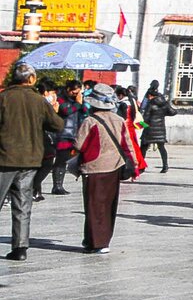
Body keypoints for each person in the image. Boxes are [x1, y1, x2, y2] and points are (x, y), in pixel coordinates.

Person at [0, 63, 64, 262]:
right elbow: (57, 125)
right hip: (30, 159)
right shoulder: (39, 101)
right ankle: (20, 248)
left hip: (5, 157)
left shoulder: (3, 98)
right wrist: (55, 110)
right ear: (31, 79)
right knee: (23, 204)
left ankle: (19, 247)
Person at [74, 84, 143, 254]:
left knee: (93, 206)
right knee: (108, 205)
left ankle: (95, 241)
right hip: (115, 167)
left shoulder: (89, 121)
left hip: (94, 168)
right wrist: (134, 165)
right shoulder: (119, 120)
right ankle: (103, 240)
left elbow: (78, 144)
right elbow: (128, 145)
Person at [138, 84, 170, 160]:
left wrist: (141, 125)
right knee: (162, 148)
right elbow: (173, 112)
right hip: (161, 129)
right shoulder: (163, 103)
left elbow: (145, 117)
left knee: (143, 147)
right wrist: (163, 114)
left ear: (150, 96)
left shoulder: (150, 104)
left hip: (149, 129)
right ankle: (165, 166)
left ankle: (141, 165)